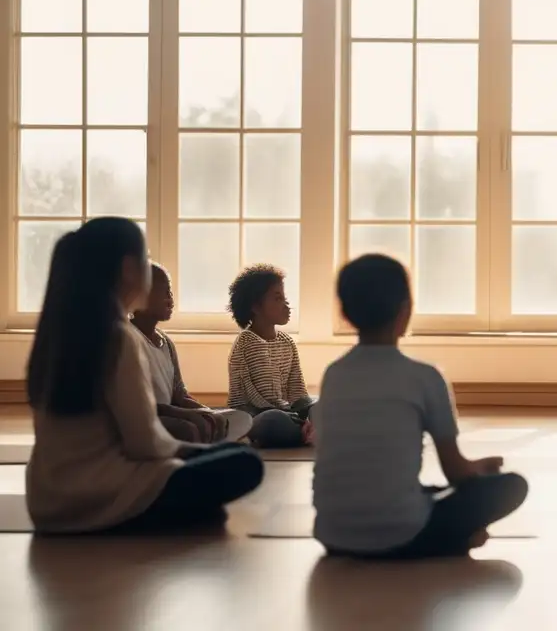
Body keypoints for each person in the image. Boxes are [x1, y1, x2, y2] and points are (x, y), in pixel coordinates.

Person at [26, 217, 264, 534]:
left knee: (222, 456)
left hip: (46, 503)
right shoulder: (117, 337)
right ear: (128, 268)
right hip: (108, 498)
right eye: (146, 258)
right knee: (244, 461)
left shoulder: (53, 334)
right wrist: (193, 452)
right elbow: (145, 443)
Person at [313, 254, 528, 559]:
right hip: (404, 533)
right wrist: (480, 469)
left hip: (334, 535)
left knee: (419, 490)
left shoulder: (333, 374)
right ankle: (452, 539)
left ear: (345, 314)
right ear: (406, 310)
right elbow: (455, 472)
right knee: (511, 486)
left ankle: (444, 531)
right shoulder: (425, 377)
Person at [130, 262, 252, 443]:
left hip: (171, 415)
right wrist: (189, 415)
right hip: (142, 420)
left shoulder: (166, 342)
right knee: (189, 429)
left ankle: (209, 441)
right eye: (164, 292)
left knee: (238, 418)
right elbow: (135, 406)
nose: (171, 299)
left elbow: (180, 395)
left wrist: (207, 413)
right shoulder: (128, 340)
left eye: (171, 292)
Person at [226, 264, 315, 449]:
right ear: (256, 306)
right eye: (278, 298)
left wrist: (310, 411)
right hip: (256, 415)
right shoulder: (248, 342)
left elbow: (297, 391)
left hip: (286, 411)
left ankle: (307, 431)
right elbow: (267, 401)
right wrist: (301, 420)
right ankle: (309, 432)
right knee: (273, 422)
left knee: (321, 405)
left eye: (285, 298)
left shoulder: (287, 342)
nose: (286, 304)